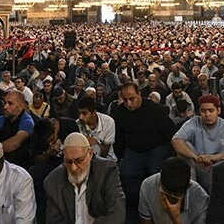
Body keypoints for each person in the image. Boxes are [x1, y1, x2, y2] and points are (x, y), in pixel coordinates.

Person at [114, 82, 176, 221]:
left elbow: (170, 131)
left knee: (156, 178)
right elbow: (119, 137)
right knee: (126, 174)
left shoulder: (155, 110)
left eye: (132, 98)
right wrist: (121, 156)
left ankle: (155, 210)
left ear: (139, 95)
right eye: (125, 100)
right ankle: (133, 211)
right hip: (134, 150)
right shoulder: (120, 112)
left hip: (157, 148)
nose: (129, 103)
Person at [43, 133, 125, 223]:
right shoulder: (53, 181)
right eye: (69, 162)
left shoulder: (106, 170)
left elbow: (117, 213)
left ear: (90, 154)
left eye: (79, 161)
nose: (73, 168)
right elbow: (54, 221)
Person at [171, 95, 224, 192]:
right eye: (203, 111)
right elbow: (175, 141)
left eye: (211, 110)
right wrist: (196, 157)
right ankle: (192, 193)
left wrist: (214, 157)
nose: (207, 114)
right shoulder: (194, 123)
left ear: (218, 111)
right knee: (186, 145)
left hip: (221, 169)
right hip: (199, 168)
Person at [139, 156, 208, 224]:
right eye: (166, 193)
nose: (169, 201)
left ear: (188, 186)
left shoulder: (201, 199)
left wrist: (175, 219)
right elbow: (145, 220)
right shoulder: (148, 185)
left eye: (175, 197)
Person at [76, 96, 116, 161]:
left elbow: (105, 152)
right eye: (79, 113)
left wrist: (95, 142)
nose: (80, 117)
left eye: (84, 113)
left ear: (94, 113)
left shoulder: (109, 122)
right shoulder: (77, 124)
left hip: (107, 159)